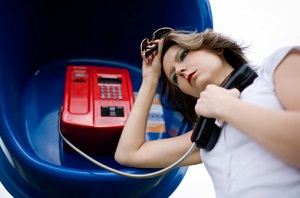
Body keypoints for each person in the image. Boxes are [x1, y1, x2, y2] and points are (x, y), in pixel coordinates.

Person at [114, 28, 300, 197]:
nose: (179, 70)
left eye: (184, 55)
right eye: (173, 77)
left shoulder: (276, 67)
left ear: (215, 48)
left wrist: (225, 107)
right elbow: (129, 153)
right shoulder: (206, 135)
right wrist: (150, 79)